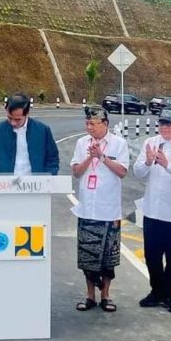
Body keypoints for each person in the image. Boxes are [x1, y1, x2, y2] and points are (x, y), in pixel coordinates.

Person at [133, 106, 171, 314]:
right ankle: (156, 291)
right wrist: (149, 162)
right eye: (162, 123)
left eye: (169, 124)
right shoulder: (150, 143)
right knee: (152, 255)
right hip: (152, 210)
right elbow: (138, 172)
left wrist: (168, 165)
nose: (165, 128)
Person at [70, 105, 129, 313]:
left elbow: (122, 172)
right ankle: (90, 296)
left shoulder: (119, 144)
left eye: (94, 124)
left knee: (107, 257)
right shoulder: (81, 143)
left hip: (109, 209)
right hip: (87, 208)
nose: (90, 127)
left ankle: (106, 295)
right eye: (87, 123)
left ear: (105, 124)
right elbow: (76, 171)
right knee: (87, 255)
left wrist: (102, 157)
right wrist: (90, 157)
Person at [0, 93, 59, 175]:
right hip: (6, 185)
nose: (13, 123)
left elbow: (52, 159)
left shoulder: (42, 130)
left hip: (35, 185)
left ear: (27, 113)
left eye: (17, 119)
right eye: (9, 118)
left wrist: (46, 178)